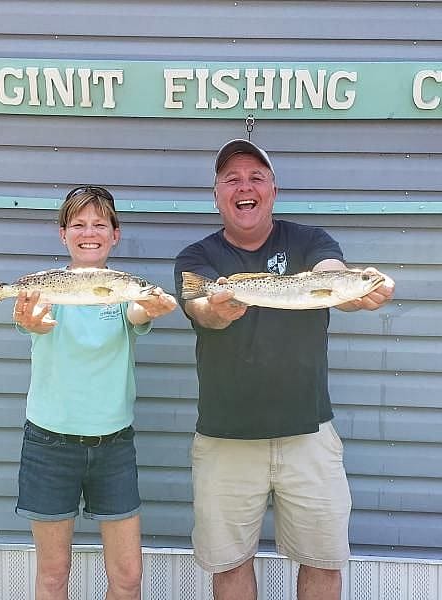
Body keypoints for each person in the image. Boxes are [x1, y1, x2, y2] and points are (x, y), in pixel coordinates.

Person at [174, 140, 395, 600]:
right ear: (216, 194)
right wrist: (220, 309)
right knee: (229, 565)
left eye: (256, 177)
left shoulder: (310, 241)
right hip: (225, 439)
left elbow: (332, 272)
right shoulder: (196, 258)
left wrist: (351, 287)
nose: (245, 187)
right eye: (231, 179)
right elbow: (200, 310)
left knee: (323, 563)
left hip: (309, 435)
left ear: (273, 189)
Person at [13, 185, 177, 600]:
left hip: (114, 446)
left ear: (115, 234)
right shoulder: (44, 287)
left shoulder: (123, 288)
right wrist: (31, 320)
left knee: (128, 577)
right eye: (79, 224)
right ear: (63, 233)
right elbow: (33, 322)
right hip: (49, 444)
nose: (90, 232)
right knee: (54, 575)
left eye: (100, 224)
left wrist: (152, 306)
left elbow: (139, 311)